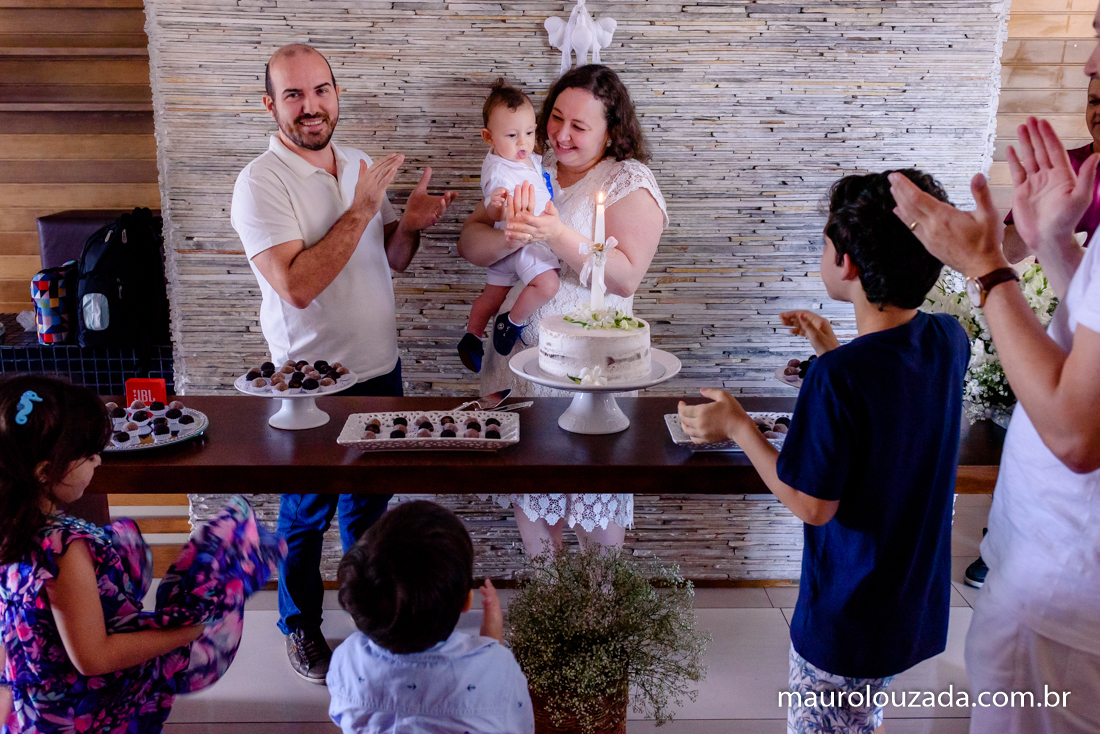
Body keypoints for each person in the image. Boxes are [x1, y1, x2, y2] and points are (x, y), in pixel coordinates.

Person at [679, 170, 969, 734]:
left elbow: (813, 504)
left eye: (825, 243)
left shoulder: (837, 378)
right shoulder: (948, 339)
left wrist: (738, 425)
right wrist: (831, 349)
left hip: (847, 612)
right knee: (862, 716)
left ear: (848, 264)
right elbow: (893, 405)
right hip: (910, 599)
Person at [230, 43, 455, 683]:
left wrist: (407, 225)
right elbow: (297, 285)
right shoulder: (259, 183)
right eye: (294, 95)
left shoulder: (357, 163)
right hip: (310, 387)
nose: (311, 106)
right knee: (306, 516)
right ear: (270, 105)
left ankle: (372, 621)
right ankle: (299, 625)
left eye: (321, 90)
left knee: (368, 514)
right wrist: (361, 210)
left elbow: (389, 258)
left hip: (381, 370)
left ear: (337, 93)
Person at [891, 113, 1100, 731]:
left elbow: (1077, 433)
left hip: (1063, 596)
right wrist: (1055, 244)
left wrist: (986, 268)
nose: (1089, 81)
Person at [458, 64, 668, 555]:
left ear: (611, 131)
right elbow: (470, 242)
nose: (561, 134)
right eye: (555, 118)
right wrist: (508, 236)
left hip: (592, 379)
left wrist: (554, 233)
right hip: (522, 374)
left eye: (579, 125)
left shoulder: (628, 180)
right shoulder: (529, 164)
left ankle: (598, 608)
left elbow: (625, 276)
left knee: (598, 539)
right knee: (538, 536)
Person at [0, 375, 282, 734]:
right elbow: (93, 657)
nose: (98, 462)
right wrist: (189, 631)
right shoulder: (64, 549)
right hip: (80, 714)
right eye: (88, 456)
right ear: (44, 472)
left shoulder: (11, 530)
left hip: (35, 704)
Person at [327, 500, 533, 733]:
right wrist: (492, 642)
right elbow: (520, 727)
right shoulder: (500, 670)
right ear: (467, 600)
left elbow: (343, 717)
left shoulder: (348, 660)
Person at [457, 78, 560, 372]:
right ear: (488, 137)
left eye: (529, 132)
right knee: (548, 284)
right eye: (512, 135)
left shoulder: (525, 158)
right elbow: (493, 209)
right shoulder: (499, 171)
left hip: (513, 242)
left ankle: (472, 335)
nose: (523, 142)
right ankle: (511, 322)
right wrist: (497, 206)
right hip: (523, 240)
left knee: (492, 296)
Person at [1002, 77, 1100, 263]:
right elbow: (1012, 253)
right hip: (1053, 281)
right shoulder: (1059, 166)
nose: (1098, 111)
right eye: (1094, 102)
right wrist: (1039, 222)